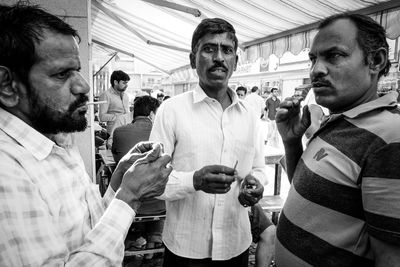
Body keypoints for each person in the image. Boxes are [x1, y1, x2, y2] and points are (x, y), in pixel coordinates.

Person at [0, 3, 172, 266]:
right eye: (61, 74)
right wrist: (130, 195)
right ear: (8, 86)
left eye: (77, 70)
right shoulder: (7, 172)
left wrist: (118, 182)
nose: (83, 86)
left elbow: (89, 229)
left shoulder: (58, 137)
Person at [275, 13, 400, 266]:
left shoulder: (389, 139)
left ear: (375, 61)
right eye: (313, 58)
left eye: (334, 55)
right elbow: (313, 194)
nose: (316, 70)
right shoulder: (340, 120)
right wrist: (291, 142)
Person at [150, 18, 267, 266]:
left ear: (235, 61)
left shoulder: (249, 114)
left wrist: (255, 184)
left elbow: (257, 168)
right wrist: (195, 180)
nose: (219, 57)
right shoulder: (171, 111)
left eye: (227, 50)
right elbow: (152, 181)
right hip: (187, 248)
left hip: (236, 243)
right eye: (209, 49)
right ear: (193, 60)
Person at [112, 95, 160, 163]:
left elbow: (116, 156)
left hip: (124, 172)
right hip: (151, 173)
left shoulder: (118, 131)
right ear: (151, 114)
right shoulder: (158, 132)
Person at [99, 70, 131, 136]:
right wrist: (119, 117)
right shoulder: (106, 95)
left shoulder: (126, 96)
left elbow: (127, 112)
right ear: (116, 82)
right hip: (113, 133)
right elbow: (102, 117)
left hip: (126, 131)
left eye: (127, 83)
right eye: (124, 83)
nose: (126, 85)